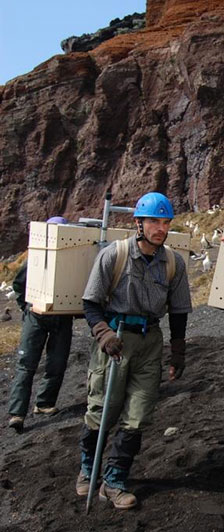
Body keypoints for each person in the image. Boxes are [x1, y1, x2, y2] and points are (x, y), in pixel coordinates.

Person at [75, 192, 192, 510]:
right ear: (138, 222)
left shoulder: (173, 263)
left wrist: (178, 351)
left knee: (137, 417)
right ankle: (88, 472)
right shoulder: (114, 255)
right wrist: (103, 334)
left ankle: (113, 483)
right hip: (115, 341)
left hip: (150, 342)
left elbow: (179, 311)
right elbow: (90, 303)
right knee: (102, 411)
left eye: (166, 222)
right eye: (155, 221)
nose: (161, 228)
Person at [6, 216, 75, 434]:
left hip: (61, 317)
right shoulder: (35, 257)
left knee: (57, 361)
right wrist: (26, 307)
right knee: (27, 363)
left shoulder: (72, 260)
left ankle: (44, 403)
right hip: (36, 316)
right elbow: (19, 283)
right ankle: (17, 413)